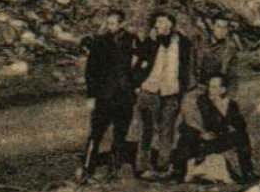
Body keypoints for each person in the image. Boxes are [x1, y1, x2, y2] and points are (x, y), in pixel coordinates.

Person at [132, 10, 194, 179]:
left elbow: (186, 69)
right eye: (158, 22)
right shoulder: (149, 42)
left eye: (164, 22)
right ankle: (141, 167)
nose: (160, 26)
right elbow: (137, 64)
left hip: (171, 92)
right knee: (146, 130)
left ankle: (163, 166)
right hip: (149, 91)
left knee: (167, 131)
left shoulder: (183, 43)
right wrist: (137, 86)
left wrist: (182, 90)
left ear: (171, 24)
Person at [79, 9, 136, 180]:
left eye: (113, 23)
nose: (110, 26)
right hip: (104, 96)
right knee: (96, 133)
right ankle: (87, 168)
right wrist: (91, 96)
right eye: (108, 23)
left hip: (125, 96)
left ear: (122, 23)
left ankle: (114, 168)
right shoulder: (100, 42)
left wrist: (136, 86)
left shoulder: (132, 40)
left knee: (120, 134)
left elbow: (142, 63)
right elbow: (90, 72)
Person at [171, 73, 255, 184]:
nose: (211, 90)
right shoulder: (202, 102)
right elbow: (192, 122)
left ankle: (247, 172)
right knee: (187, 136)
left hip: (217, 139)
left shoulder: (231, 104)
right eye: (210, 87)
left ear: (223, 90)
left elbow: (240, 125)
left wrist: (229, 123)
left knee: (242, 137)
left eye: (215, 87)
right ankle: (178, 173)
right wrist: (202, 133)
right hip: (200, 140)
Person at [197, 18, 242, 92]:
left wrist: (228, 91)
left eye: (224, 28)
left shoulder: (230, 50)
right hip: (199, 87)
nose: (221, 31)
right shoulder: (199, 42)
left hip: (217, 89)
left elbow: (233, 75)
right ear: (212, 27)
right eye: (218, 26)